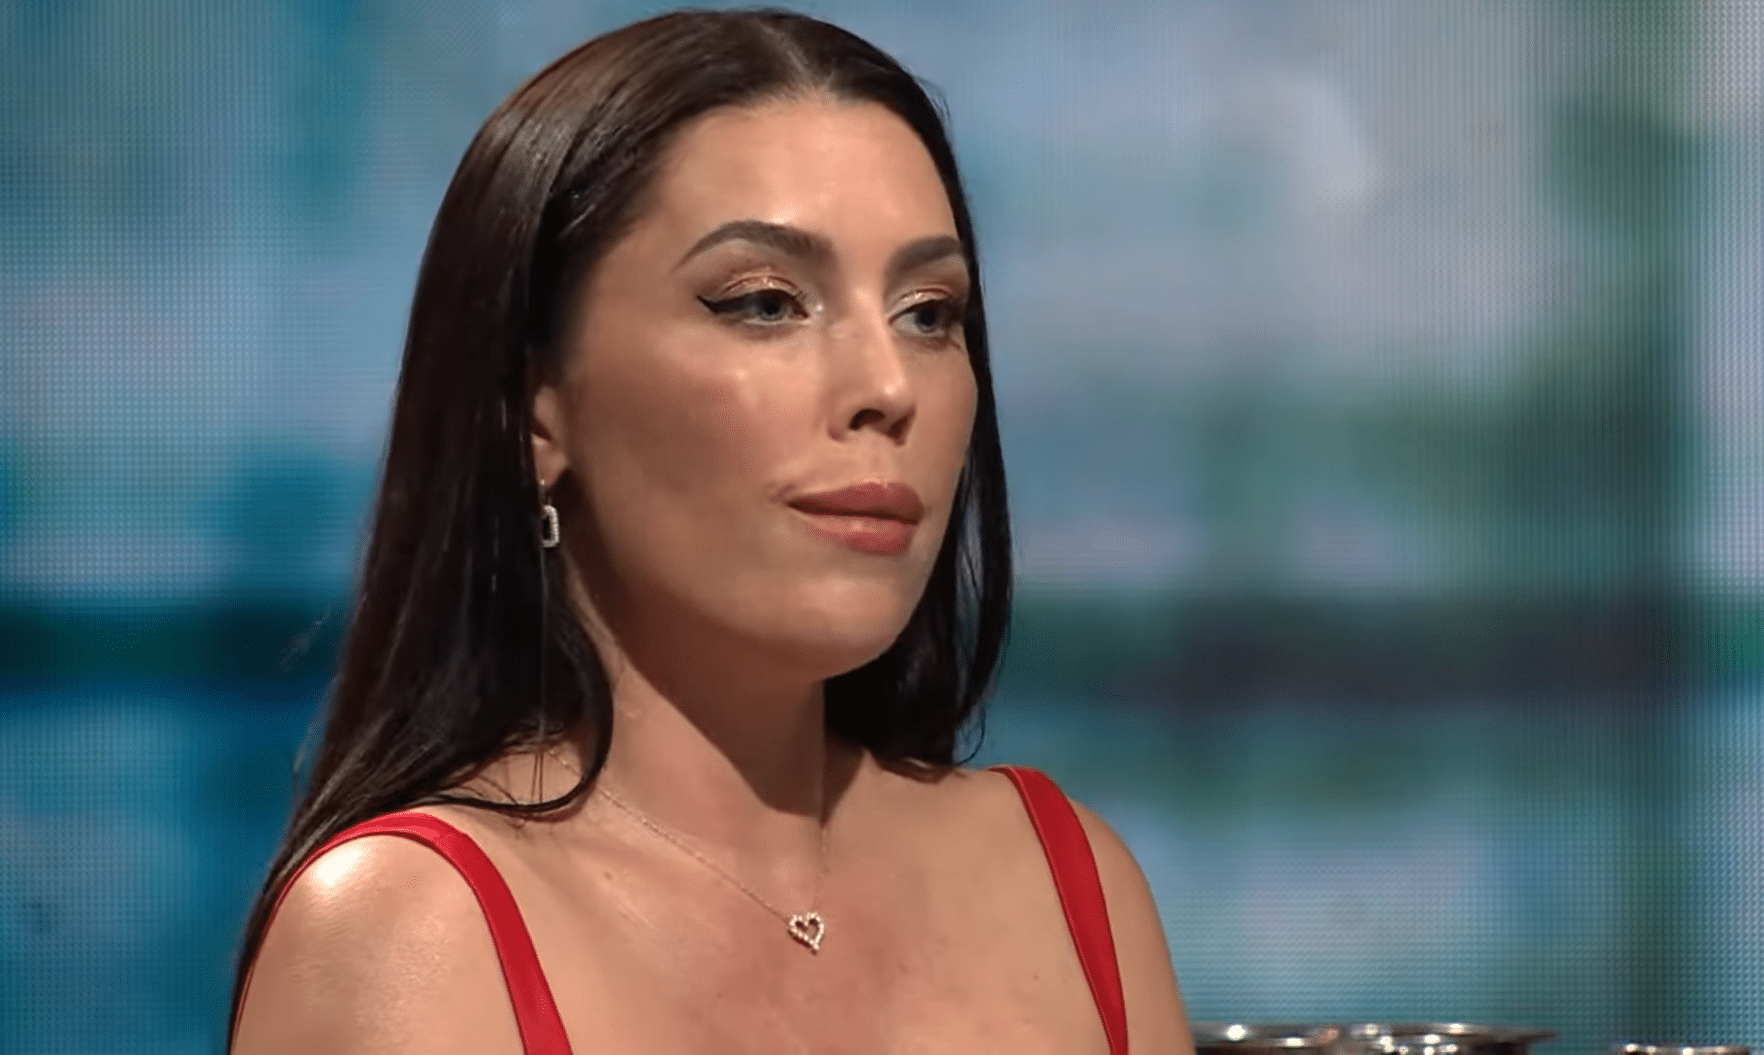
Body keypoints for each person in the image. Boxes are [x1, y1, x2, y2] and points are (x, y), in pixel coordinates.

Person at [228, 8, 1193, 1053]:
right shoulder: (410, 927)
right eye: (765, 302)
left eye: (928, 311)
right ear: (534, 410)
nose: (887, 385)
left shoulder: (1068, 881)